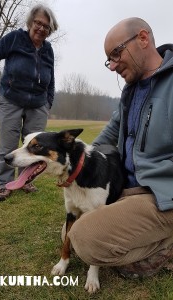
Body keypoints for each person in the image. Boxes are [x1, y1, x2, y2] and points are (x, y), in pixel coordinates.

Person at [68, 17, 173, 279]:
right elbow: (110, 133)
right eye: (109, 59)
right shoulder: (131, 91)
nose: (112, 66)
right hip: (128, 186)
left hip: (161, 196)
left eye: (116, 53)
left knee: (84, 239)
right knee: (69, 230)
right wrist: (82, 167)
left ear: (143, 39)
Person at [0, 4, 58, 201]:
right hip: (11, 100)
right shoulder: (15, 38)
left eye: (46, 26)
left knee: (34, 148)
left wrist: (47, 103)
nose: (41, 28)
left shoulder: (48, 49)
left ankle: (26, 181)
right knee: (8, 145)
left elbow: (51, 78)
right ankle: (5, 185)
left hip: (38, 104)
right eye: (38, 23)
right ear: (30, 22)